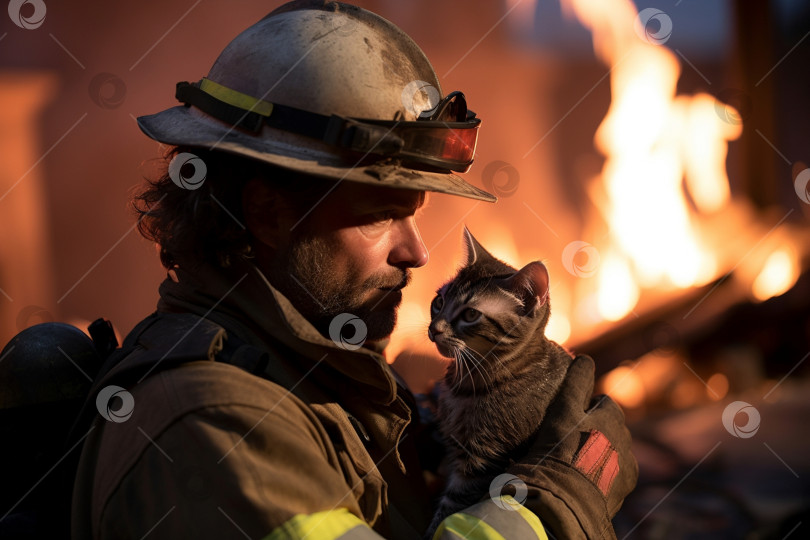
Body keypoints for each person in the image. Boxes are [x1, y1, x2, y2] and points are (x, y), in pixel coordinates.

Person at [71, 1, 638, 538]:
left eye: (412, 215)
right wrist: (550, 507)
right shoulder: (211, 427)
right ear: (268, 213)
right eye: (379, 217)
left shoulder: (314, 370)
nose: (416, 253)